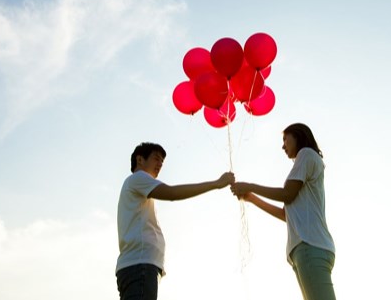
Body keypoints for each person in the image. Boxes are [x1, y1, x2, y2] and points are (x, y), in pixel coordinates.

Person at [230, 123, 336, 300]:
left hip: (309, 246)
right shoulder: (306, 162)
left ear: (298, 136)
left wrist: (250, 186)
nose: (283, 145)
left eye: (285, 139)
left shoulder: (306, 154)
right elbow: (285, 215)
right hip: (307, 248)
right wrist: (251, 197)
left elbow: (287, 194)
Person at [116, 142, 235, 300]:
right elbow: (172, 193)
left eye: (162, 162)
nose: (160, 164)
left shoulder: (137, 185)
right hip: (140, 265)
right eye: (156, 158)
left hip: (139, 266)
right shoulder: (138, 178)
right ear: (140, 159)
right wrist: (216, 184)